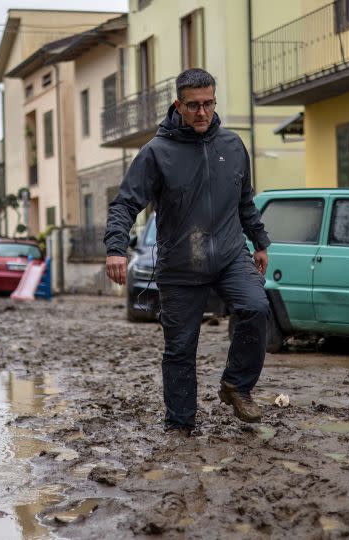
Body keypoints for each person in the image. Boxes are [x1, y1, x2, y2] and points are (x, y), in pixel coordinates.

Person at [104, 68, 271, 434]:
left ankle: (236, 386)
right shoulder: (156, 152)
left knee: (256, 308)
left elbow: (245, 201)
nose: (202, 112)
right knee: (180, 348)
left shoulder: (232, 146)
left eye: (208, 103)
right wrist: (116, 249)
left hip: (229, 255)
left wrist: (259, 241)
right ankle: (180, 426)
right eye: (193, 105)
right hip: (181, 265)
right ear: (178, 105)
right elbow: (124, 204)